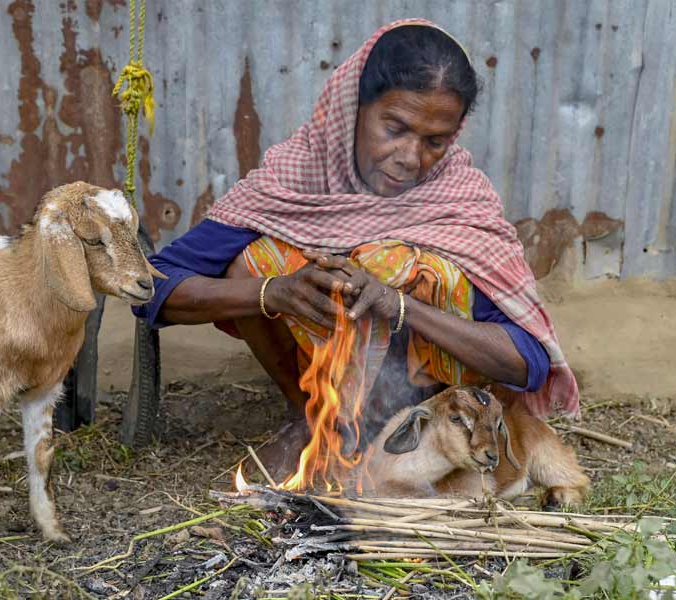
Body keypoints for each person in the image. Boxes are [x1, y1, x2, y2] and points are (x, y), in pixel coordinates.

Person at [134, 19, 578, 477]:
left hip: (433, 416)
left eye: (434, 141)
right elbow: (155, 288)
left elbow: (528, 361)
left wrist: (399, 304)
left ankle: (405, 433)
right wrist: (273, 292)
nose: (410, 157)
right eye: (395, 127)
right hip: (313, 393)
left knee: (418, 268)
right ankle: (313, 420)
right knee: (254, 260)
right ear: (354, 109)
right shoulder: (295, 179)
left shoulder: (462, 200)